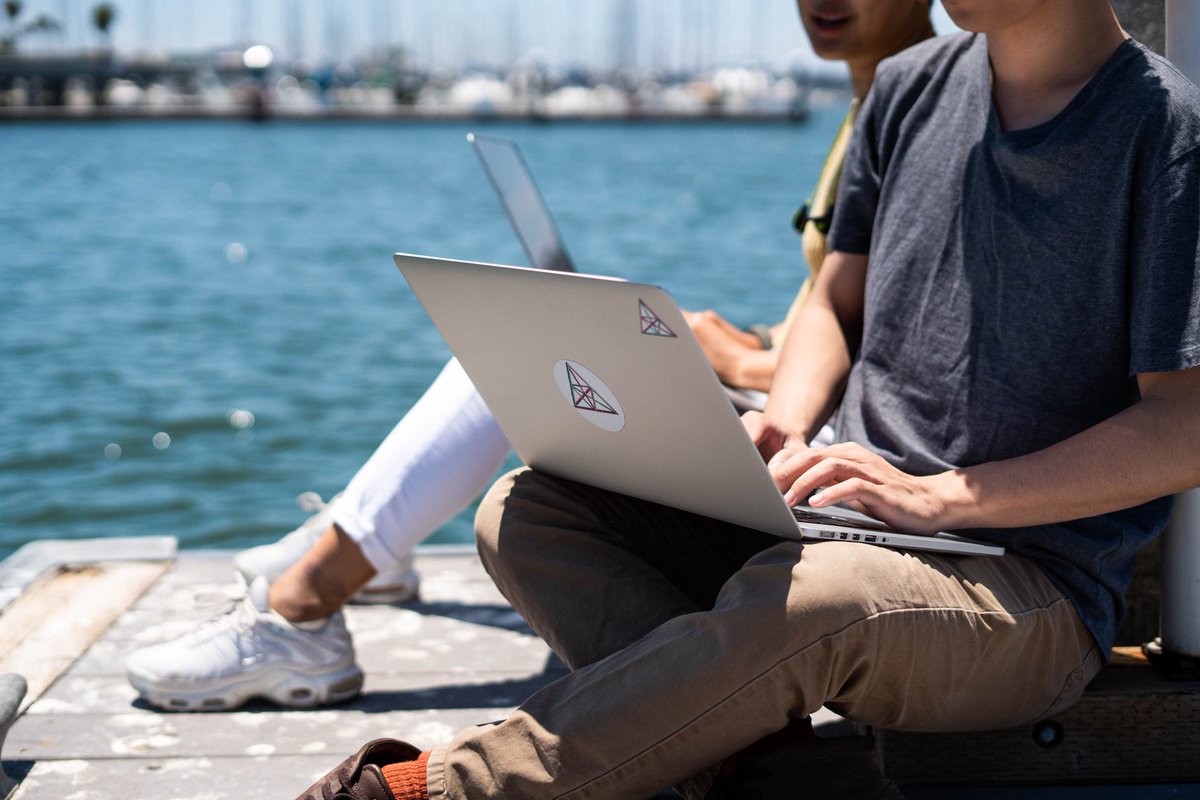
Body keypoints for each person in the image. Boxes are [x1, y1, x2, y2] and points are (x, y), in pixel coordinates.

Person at [296, 0, 1200, 798]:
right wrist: (786, 424)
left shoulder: (1166, 131)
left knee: (819, 600)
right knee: (530, 509)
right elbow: (833, 303)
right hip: (836, 524)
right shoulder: (908, 87)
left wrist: (941, 499)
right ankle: (776, 770)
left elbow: (1184, 425)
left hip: (1025, 591)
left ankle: (422, 791)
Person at [124, 0, 938, 712]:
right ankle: (364, 541)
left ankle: (307, 605)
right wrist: (753, 343)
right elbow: (842, 307)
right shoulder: (869, 102)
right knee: (539, 334)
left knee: (511, 367)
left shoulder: (922, 104)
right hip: (788, 385)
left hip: (826, 435)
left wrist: (750, 366)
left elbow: (902, 341)